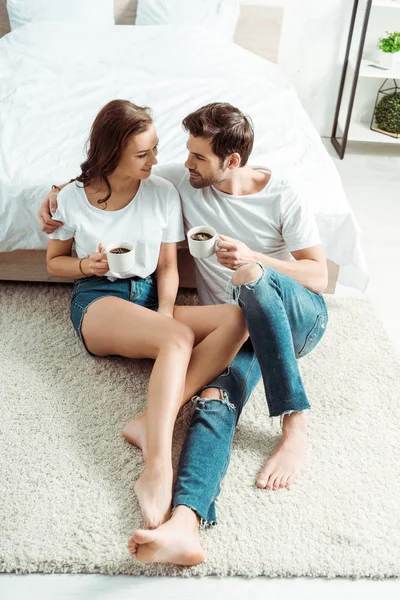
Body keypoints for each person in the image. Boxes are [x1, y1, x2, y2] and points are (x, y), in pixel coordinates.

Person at [39, 102, 328, 567]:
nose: (180, 162)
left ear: (230, 162)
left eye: (196, 157)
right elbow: (100, 177)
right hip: (204, 315)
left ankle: (294, 426)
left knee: (249, 282)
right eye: (184, 154)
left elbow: (319, 278)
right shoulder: (180, 180)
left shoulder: (282, 195)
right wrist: (55, 192)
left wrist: (254, 257)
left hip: (296, 313)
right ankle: (185, 521)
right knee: (217, 392)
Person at [43, 99, 248, 536]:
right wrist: (86, 267)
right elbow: (54, 263)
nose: (157, 160)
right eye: (144, 154)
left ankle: (148, 419)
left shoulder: (161, 191)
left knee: (235, 318)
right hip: (98, 300)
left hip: (148, 298)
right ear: (111, 152)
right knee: (175, 341)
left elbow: (169, 268)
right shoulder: (72, 200)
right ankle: (157, 466)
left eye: (155, 149)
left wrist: (166, 313)